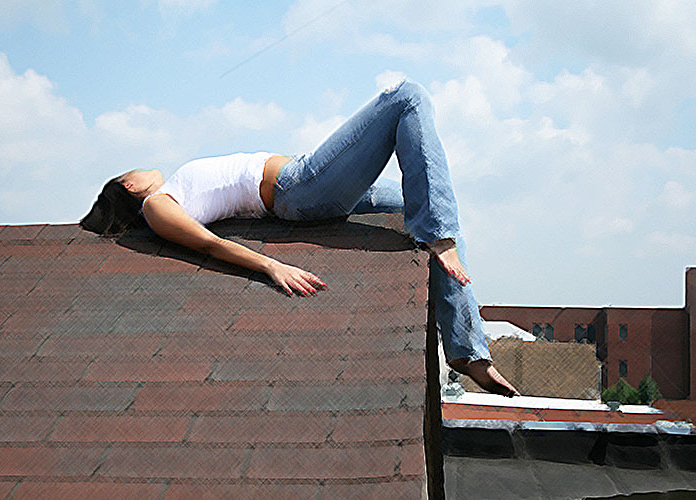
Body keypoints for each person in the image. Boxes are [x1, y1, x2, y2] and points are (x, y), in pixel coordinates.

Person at [81, 79, 520, 397]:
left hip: (307, 190)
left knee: (434, 208)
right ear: (130, 187)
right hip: (299, 188)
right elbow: (210, 246)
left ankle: (467, 351)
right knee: (406, 96)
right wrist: (271, 265)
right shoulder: (157, 205)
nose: (141, 167)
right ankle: (440, 244)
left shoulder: (169, 192)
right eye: (130, 172)